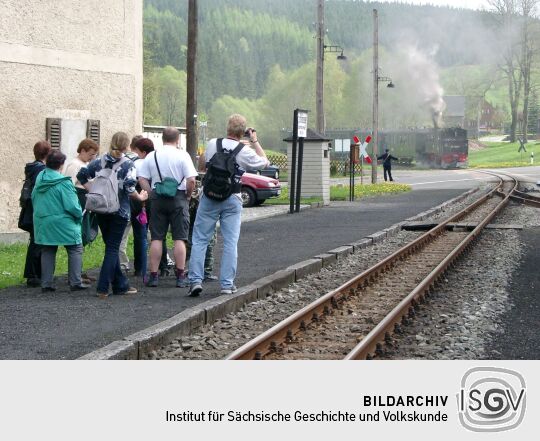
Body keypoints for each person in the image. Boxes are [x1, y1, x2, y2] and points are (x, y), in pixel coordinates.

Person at [188, 114, 269, 297]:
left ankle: (195, 281)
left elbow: (202, 165)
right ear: (243, 132)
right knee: (230, 242)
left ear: (227, 128)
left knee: (200, 239)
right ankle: (226, 285)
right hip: (232, 197)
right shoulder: (244, 150)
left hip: (209, 197)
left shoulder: (212, 144)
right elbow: (264, 163)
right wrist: (255, 142)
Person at [77, 132, 148, 299]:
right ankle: (102, 287)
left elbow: (82, 175)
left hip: (101, 209)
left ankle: (120, 285)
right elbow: (130, 188)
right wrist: (141, 197)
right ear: (126, 146)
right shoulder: (128, 164)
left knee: (111, 247)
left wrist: (94, 191)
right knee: (112, 249)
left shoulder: (100, 160)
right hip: (119, 210)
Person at [138, 127, 197, 288]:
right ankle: (180, 276)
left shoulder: (152, 155)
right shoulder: (182, 155)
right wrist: (188, 195)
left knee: (157, 237)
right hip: (178, 198)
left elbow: (142, 178)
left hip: (158, 198)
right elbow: (191, 180)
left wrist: (151, 193)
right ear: (178, 140)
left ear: (162, 139)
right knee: (179, 238)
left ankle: (154, 276)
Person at [31, 150, 87, 292]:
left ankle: (46, 284)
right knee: (75, 248)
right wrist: (79, 216)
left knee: (48, 249)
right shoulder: (63, 183)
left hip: (43, 221)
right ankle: (75, 281)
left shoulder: (40, 178)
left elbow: (33, 198)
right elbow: (73, 206)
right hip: (64, 222)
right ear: (61, 165)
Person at [62, 138, 99, 283]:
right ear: (82, 150)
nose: (92, 157)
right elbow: (68, 186)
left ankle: (79, 271)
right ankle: (76, 273)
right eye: (90, 154)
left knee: (83, 236)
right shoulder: (74, 165)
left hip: (86, 202)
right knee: (79, 236)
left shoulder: (85, 164)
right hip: (78, 201)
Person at [19, 141, 52, 287]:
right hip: (37, 210)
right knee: (37, 242)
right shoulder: (41, 170)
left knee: (36, 241)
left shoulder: (32, 167)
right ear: (48, 153)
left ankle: (35, 274)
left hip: (32, 209)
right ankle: (33, 275)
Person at [119, 135, 143, 274]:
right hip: (138, 200)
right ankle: (141, 267)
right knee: (144, 235)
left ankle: (122, 263)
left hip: (122, 201)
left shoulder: (118, 159)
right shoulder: (140, 161)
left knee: (122, 234)